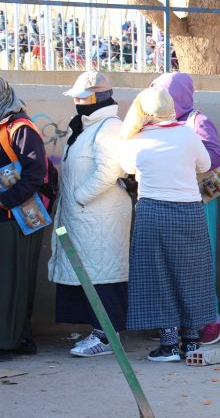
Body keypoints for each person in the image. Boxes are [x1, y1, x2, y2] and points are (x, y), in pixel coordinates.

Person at [120, 87, 214, 362]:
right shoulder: (187, 133)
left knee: (157, 276)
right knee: (192, 276)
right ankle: (193, 340)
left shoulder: (136, 139)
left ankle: (169, 343)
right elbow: (205, 164)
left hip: (153, 212)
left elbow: (127, 167)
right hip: (189, 212)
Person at [47, 72, 131, 357]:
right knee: (89, 272)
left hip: (100, 216)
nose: (77, 102)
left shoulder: (109, 127)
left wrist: (80, 197)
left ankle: (108, 337)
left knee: (103, 273)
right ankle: (98, 330)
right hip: (83, 216)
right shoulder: (82, 127)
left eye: (82, 97)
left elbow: (109, 171)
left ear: (97, 98)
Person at [150, 72, 220, 345]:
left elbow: (214, 156)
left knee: (199, 262)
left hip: (199, 201)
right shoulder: (163, 121)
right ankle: (186, 320)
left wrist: (183, 156)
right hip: (175, 200)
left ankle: (211, 319)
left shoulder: (198, 121)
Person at [0, 77, 47, 361]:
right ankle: (19, 336)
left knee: (12, 282)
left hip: (15, 218)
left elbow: (35, 172)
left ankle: (9, 341)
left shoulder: (20, 127)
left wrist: (5, 200)